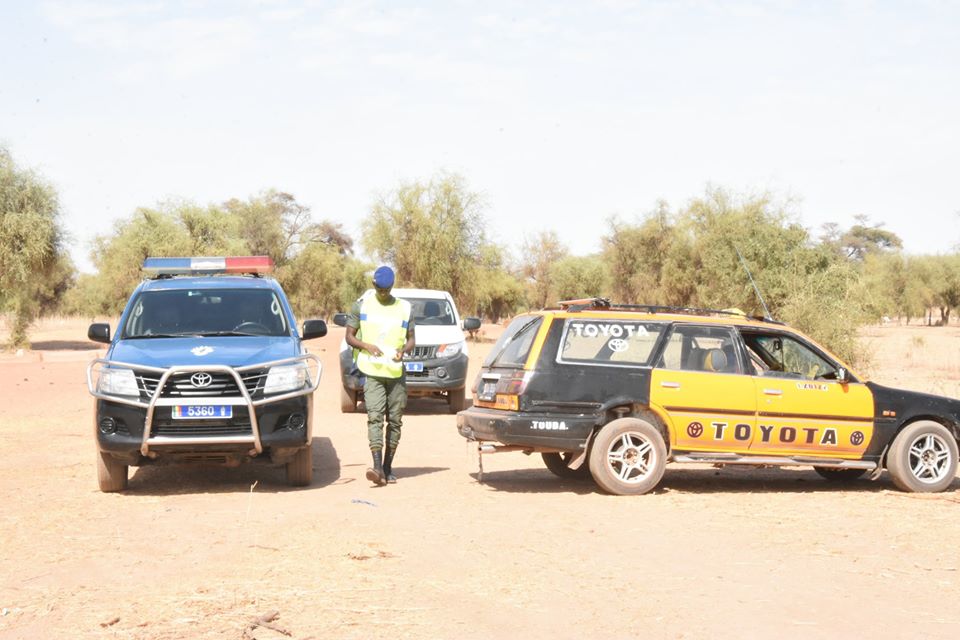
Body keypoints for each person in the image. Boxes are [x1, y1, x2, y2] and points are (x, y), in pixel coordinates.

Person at [345, 266, 415, 486]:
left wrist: (404, 351)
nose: (383, 292)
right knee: (375, 416)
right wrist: (366, 345)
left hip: (395, 373)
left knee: (395, 421)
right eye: (379, 288)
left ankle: (387, 467)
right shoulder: (362, 305)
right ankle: (376, 467)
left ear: (392, 286)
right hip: (373, 371)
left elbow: (412, 339)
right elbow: (349, 336)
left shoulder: (404, 308)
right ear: (373, 285)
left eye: (387, 289)